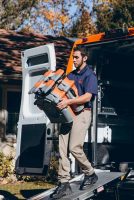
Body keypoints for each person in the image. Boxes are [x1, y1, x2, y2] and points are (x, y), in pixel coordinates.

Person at [51, 46, 98, 199]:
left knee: (74, 147)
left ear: (85, 58)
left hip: (82, 114)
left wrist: (68, 101)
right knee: (62, 148)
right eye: (74, 57)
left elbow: (87, 97)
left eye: (76, 57)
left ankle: (90, 173)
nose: (74, 59)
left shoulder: (90, 75)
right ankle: (64, 183)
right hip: (68, 114)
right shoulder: (70, 75)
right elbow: (62, 92)